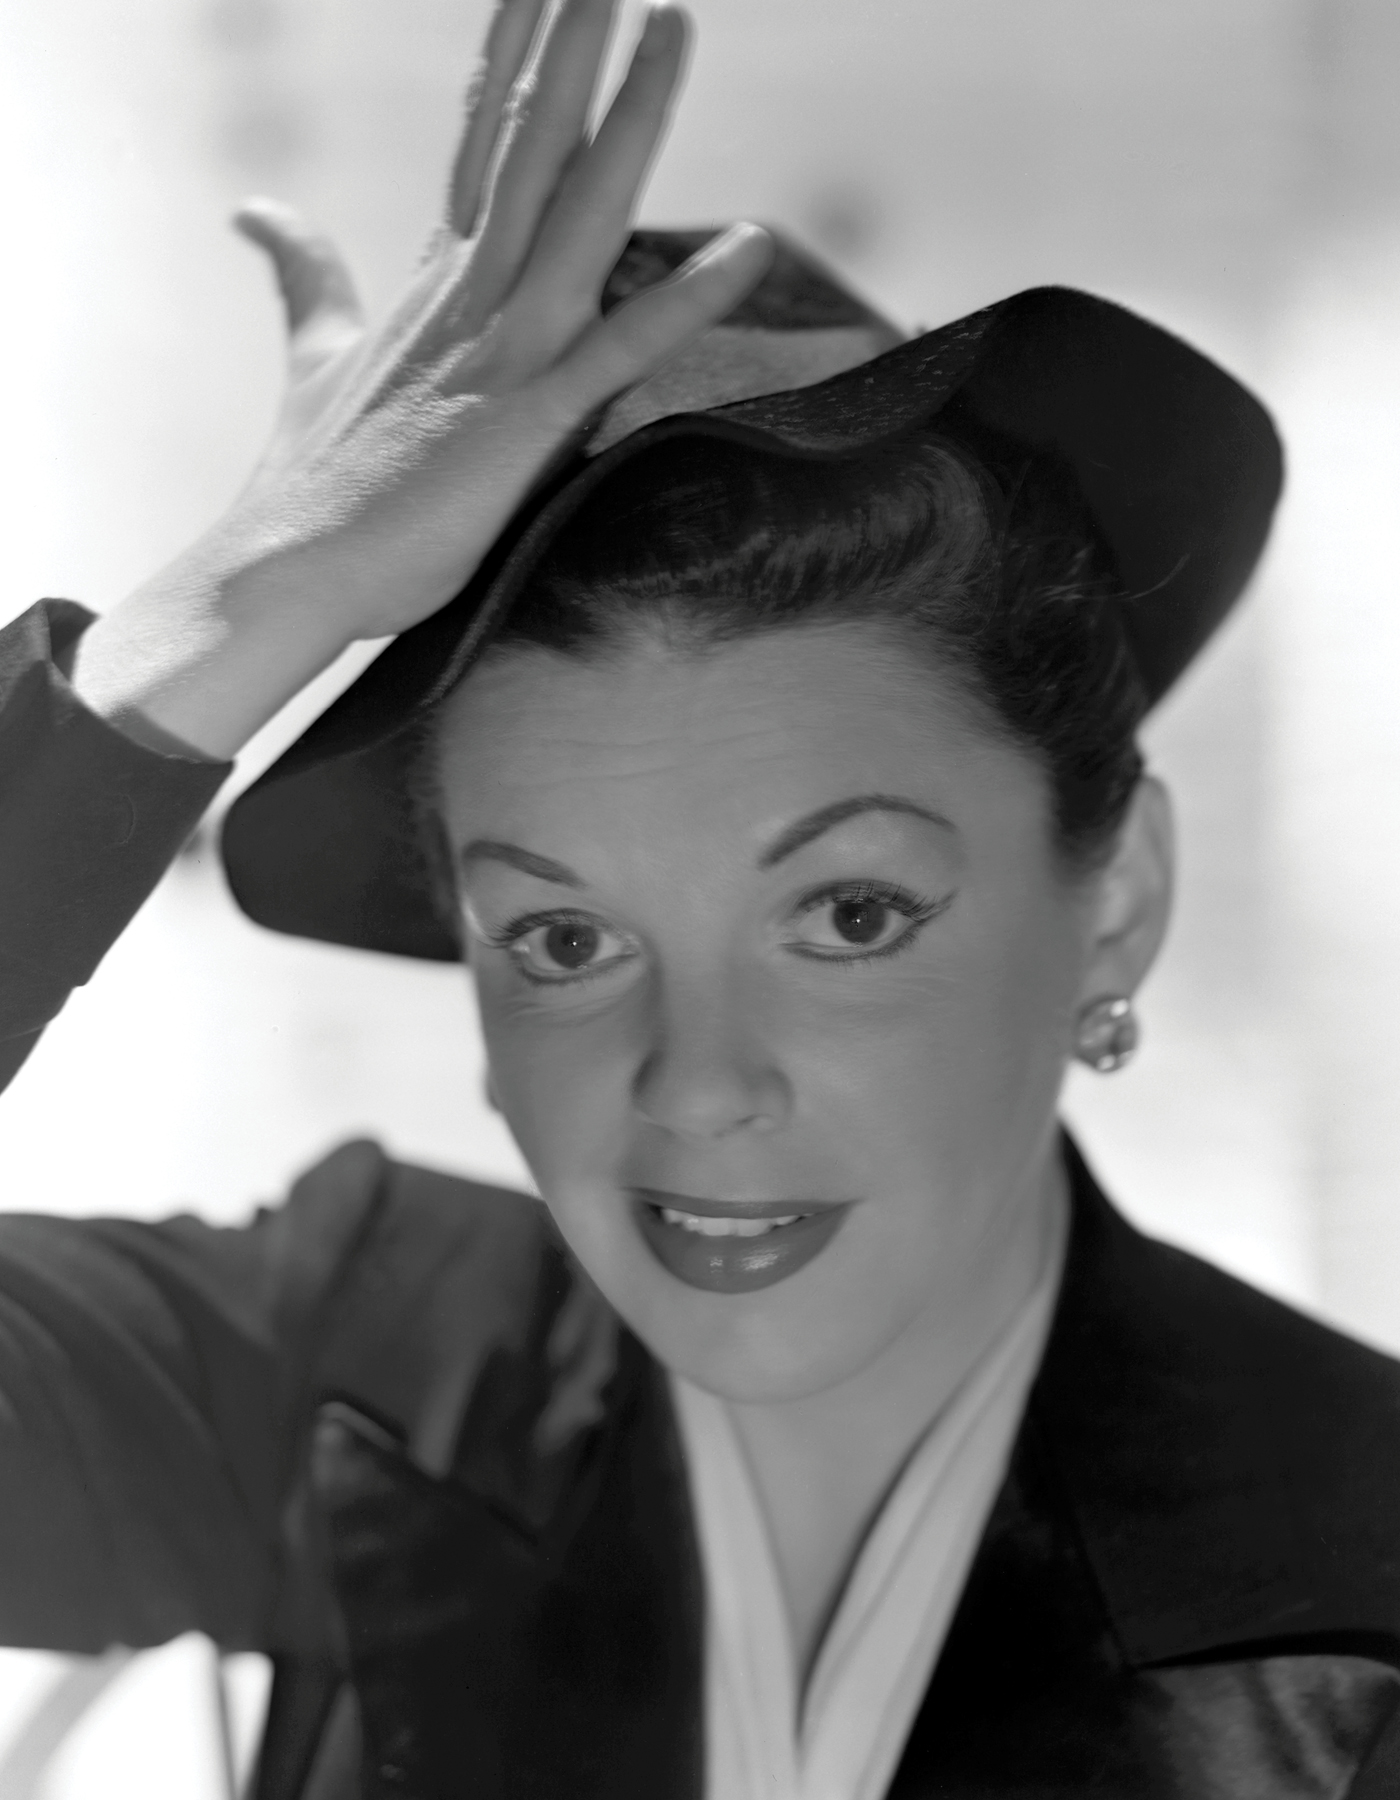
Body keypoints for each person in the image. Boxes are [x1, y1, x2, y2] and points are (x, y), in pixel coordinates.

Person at [3, 1, 1400, 1795]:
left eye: (853, 915)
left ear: (1112, 896)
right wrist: (207, 636)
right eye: (565, 941)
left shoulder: (1354, 1581)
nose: (696, 1085)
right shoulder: (361, 1353)